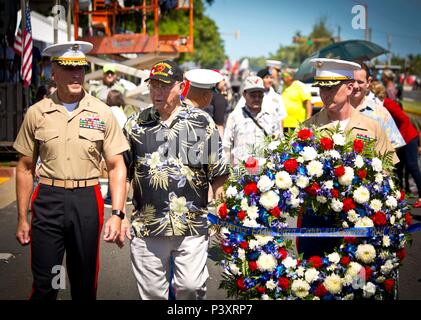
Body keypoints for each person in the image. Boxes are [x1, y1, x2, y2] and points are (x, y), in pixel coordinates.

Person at [13, 41, 129, 300]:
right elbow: (24, 167)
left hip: (86, 201)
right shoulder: (37, 113)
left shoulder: (101, 113)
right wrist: (22, 217)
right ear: (54, 71)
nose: (77, 74)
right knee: (47, 284)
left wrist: (118, 214)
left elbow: (116, 165)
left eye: (81, 68)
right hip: (48, 201)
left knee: (84, 284)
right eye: (69, 68)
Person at [120, 60, 229, 300]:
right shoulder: (134, 125)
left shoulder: (201, 122)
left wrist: (222, 212)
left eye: (164, 86)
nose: (158, 92)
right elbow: (121, 172)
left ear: (181, 87)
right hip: (148, 225)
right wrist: (119, 215)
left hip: (192, 223)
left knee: (190, 287)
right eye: (154, 85)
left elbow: (218, 172)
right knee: (152, 294)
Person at [298, 58, 398, 259]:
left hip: (358, 221)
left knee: (355, 283)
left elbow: (387, 174)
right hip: (316, 223)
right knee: (314, 279)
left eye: (331, 89)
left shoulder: (372, 127)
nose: (324, 95)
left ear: (350, 87)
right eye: (321, 89)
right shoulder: (307, 129)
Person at [371, 81, 421, 208]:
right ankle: (398, 197)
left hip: (408, 138)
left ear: (376, 95)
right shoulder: (377, 107)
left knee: (412, 166)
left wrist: (398, 141)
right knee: (398, 169)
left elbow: (404, 120)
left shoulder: (388, 104)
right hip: (400, 139)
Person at [223, 76, 282, 166]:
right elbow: (226, 146)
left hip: (266, 173)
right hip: (241, 173)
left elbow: (279, 142)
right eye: (253, 96)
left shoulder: (272, 115)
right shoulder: (234, 117)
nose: (257, 99)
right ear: (244, 95)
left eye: (260, 95)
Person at [350, 62, 405, 149]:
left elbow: (394, 145)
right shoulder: (335, 110)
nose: (355, 86)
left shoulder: (381, 113)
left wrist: (380, 162)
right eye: (352, 81)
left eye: (360, 82)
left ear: (368, 82)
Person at [184, 69, 226, 137]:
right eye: (211, 93)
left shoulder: (171, 110)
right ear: (206, 96)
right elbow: (214, 146)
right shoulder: (205, 120)